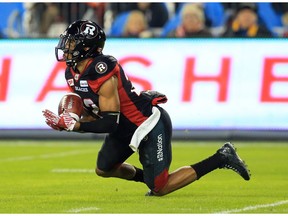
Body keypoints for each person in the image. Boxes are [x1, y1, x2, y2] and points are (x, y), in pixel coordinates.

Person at [42, 20, 251, 196]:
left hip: (145, 124)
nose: (66, 46)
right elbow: (93, 112)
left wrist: (76, 126)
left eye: (72, 42)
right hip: (124, 126)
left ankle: (221, 157)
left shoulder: (100, 69)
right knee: (104, 169)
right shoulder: (71, 73)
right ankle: (151, 179)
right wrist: (68, 121)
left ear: (86, 47)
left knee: (161, 188)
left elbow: (109, 122)